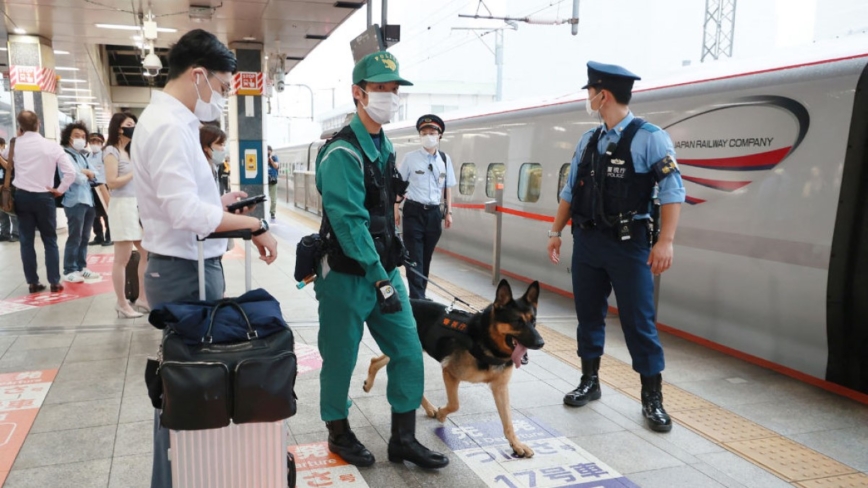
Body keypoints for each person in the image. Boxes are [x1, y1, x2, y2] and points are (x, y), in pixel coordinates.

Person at [130, 29, 277, 488]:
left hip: (182, 267)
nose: (222, 97)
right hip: (184, 273)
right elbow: (186, 213)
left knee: (185, 387)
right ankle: (177, 479)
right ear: (198, 75)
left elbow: (190, 202)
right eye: (223, 86)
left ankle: (177, 478)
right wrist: (255, 226)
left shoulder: (169, 122)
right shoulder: (170, 127)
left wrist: (222, 201)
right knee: (190, 390)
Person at [313, 51, 448, 470]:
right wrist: (380, 277)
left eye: (393, 89)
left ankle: (403, 439)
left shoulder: (385, 144)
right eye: (380, 89)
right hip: (348, 276)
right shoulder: (341, 153)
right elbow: (350, 225)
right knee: (340, 357)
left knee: (408, 349)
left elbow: (383, 211)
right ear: (358, 93)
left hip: (383, 271)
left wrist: (393, 260)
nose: (389, 97)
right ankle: (338, 432)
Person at [546, 61, 685, 433]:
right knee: (588, 315)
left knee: (638, 322)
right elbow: (570, 188)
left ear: (602, 94)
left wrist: (665, 241)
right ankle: (589, 381)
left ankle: (652, 399)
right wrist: (555, 230)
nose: (588, 98)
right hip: (588, 242)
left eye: (590, 92)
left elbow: (673, 191)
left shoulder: (651, 137)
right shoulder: (589, 140)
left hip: (629, 246)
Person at [11, 110, 76, 293]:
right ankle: (55, 282)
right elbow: (70, 172)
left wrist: (18, 137)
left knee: (26, 240)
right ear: (39, 123)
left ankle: (33, 282)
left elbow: (6, 159)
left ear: (20, 126)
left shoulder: (15, 145)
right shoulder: (51, 146)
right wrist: (60, 190)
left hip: (22, 197)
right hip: (45, 197)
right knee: (50, 239)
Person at [395, 114, 456, 300]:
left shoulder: (445, 160)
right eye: (424, 133)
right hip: (413, 212)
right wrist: (395, 208)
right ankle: (418, 298)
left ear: (439, 136)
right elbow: (399, 186)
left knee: (426, 258)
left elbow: (448, 187)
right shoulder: (410, 158)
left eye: (432, 132)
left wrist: (449, 213)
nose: (428, 136)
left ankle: (420, 294)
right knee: (415, 258)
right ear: (420, 136)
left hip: (434, 215)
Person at [104, 112, 150, 318]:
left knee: (146, 252)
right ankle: (122, 303)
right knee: (121, 258)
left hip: (136, 206)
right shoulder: (111, 151)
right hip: (122, 206)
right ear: (118, 128)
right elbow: (111, 182)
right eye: (129, 124)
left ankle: (142, 298)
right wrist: (135, 173)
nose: (134, 127)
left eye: (135, 123)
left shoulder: (131, 151)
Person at [59, 121, 101, 283]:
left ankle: (81, 267)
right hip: (74, 201)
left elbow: (96, 174)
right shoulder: (64, 155)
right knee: (75, 236)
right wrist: (86, 174)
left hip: (88, 200)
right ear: (68, 138)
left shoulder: (82, 155)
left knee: (84, 236)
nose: (81, 139)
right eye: (77, 136)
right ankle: (69, 269)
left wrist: (86, 172)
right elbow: (75, 178)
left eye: (83, 137)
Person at [87, 132, 112, 246]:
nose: (94, 144)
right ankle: (98, 236)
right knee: (93, 213)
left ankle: (109, 236)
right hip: (90, 187)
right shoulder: (87, 156)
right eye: (92, 142)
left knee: (107, 212)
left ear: (102, 143)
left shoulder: (105, 156)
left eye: (97, 142)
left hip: (103, 186)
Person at [0, 137, 18, 243]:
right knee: (2, 212)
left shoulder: (7, 155)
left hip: (8, 186)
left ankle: (16, 233)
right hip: (0, 188)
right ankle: (4, 233)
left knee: (11, 210)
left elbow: (9, 167)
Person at [267, 145, 278, 220]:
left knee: (273, 199)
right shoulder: (262, 157)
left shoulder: (274, 158)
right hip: (264, 181)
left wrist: (270, 159)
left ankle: (272, 212)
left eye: (269, 150)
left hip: (273, 180)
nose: (267, 152)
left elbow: (276, 166)